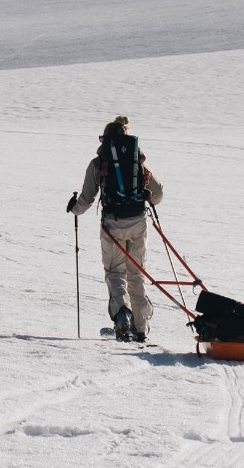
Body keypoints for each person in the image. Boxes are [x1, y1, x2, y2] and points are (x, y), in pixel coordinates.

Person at [68, 115, 164, 342]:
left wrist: (74, 209)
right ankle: (141, 327)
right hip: (139, 222)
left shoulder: (98, 163)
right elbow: (158, 194)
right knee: (136, 273)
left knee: (115, 272)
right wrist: (145, 196)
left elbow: (87, 199)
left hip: (113, 225)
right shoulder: (137, 161)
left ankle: (122, 317)